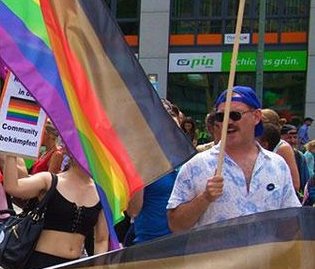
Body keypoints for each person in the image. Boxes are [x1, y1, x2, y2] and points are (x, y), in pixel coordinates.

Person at [167, 86, 300, 231]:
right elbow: (175, 225)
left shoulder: (277, 165)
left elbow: (292, 222)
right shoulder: (196, 165)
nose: (228, 122)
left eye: (235, 115)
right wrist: (205, 197)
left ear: (256, 116)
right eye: (221, 116)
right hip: (215, 253)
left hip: (266, 254)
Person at [1, 147, 109, 269]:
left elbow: (101, 239)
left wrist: (97, 267)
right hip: (40, 265)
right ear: (70, 152)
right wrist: (11, 152)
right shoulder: (49, 180)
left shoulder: (101, 193)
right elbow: (13, 187)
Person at [125, 100, 184, 244]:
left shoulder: (187, 161)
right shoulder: (142, 162)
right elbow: (133, 211)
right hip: (150, 246)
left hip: (183, 245)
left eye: (176, 129)